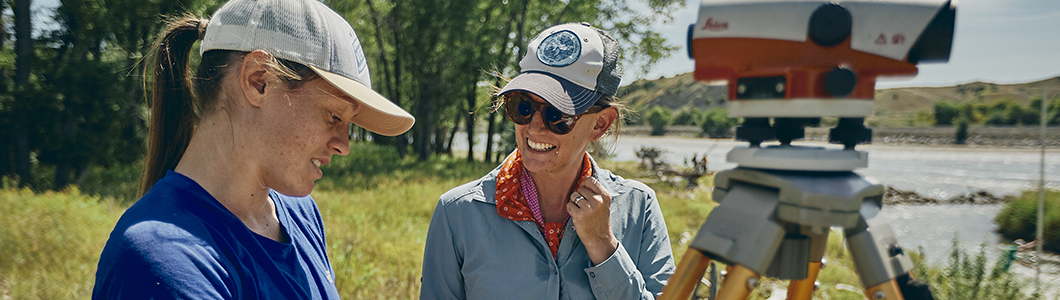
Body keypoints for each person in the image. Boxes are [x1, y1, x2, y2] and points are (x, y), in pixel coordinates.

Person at [92, 0, 414, 298]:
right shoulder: (163, 257)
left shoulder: (299, 214)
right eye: (334, 116)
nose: (343, 145)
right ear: (259, 80)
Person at [420, 22, 675, 299]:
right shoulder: (457, 213)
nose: (534, 128)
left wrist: (604, 247)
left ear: (600, 124)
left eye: (558, 114)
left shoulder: (640, 207)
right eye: (523, 107)